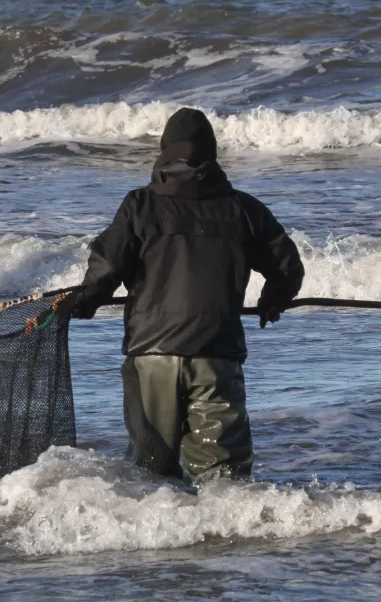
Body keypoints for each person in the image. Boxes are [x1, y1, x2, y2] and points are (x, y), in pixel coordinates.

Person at [57, 107, 304, 481]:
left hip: (152, 356)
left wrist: (86, 302)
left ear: (163, 151)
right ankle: (228, 536)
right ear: (213, 154)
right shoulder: (243, 209)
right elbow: (287, 269)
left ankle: (165, 537)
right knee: (225, 475)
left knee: (149, 473)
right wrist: (273, 300)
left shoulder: (140, 205)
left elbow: (108, 267)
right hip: (216, 355)